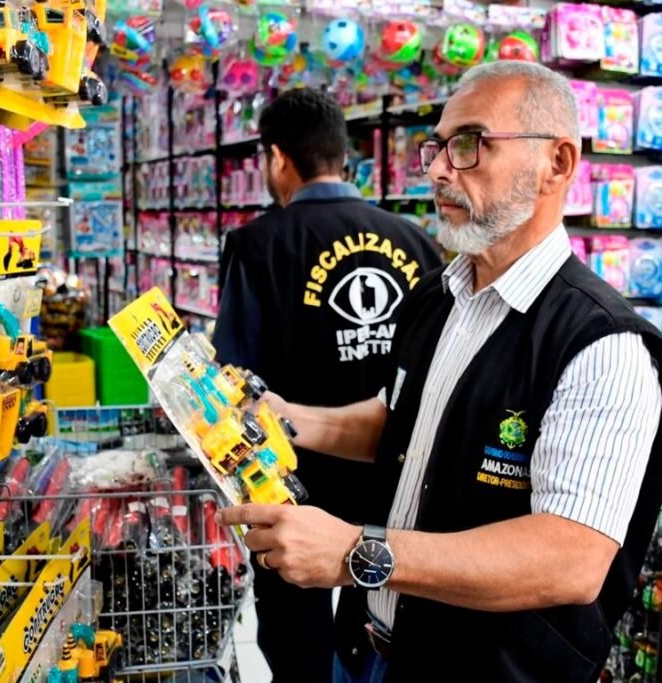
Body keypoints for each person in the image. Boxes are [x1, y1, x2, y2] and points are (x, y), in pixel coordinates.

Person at [217, 62, 662, 682]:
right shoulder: (440, 296)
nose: (440, 169)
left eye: (470, 144)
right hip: (368, 650)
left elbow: (571, 559)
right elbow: (400, 419)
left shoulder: (603, 346)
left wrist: (356, 552)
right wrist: (287, 419)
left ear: (557, 163)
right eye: (436, 147)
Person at [212, 88, 442, 683]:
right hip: (391, 477)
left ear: (277, 158)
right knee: (382, 623)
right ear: (343, 155)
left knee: (297, 638)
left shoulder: (257, 244)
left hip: (292, 482)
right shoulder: (417, 242)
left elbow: (233, 375)